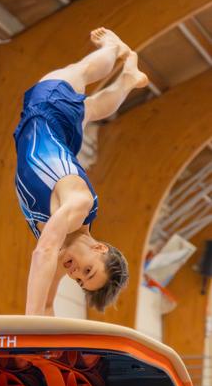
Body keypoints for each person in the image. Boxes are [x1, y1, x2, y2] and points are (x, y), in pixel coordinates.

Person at [13, 28, 148, 315]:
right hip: (47, 110)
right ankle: (112, 48)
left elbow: (48, 304)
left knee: (91, 109)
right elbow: (43, 253)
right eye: (88, 270)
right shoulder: (78, 204)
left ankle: (128, 79)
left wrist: (46, 355)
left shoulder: (62, 250)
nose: (75, 273)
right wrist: (29, 324)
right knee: (82, 71)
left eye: (79, 281)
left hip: (56, 135)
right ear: (99, 248)